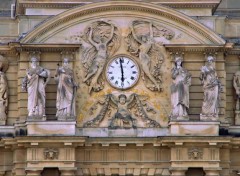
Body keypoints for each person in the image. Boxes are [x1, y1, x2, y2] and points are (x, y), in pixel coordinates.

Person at [83, 24, 114, 93]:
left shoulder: (105, 44)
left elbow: (110, 36)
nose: (102, 37)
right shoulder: (97, 45)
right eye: (101, 37)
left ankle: (91, 86)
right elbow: (90, 39)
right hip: (98, 59)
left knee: (98, 74)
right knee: (93, 71)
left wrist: (112, 28)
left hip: (103, 60)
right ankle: (86, 78)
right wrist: (91, 30)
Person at [131, 22, 160, 90]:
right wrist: (132, 29)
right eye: (142, 38)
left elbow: (151, 36)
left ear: (146, 38)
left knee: (147, 72)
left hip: (144, 58)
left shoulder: (148, 43)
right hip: (143, 57)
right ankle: (155, 83)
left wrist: (150, 26)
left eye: (144, 38)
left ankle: (156, 84)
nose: (142, 39)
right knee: (146, 72)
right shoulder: (143, 44)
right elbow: (135, 37)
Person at [170, 56, 191, 120]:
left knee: (183, 99)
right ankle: (177, 112)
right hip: (176, 86)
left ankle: (183, 112)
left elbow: (188, 77)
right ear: (176, 62)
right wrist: (177, 70)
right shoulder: (174, 69)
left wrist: (186, 81)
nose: (179, 62)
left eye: (180, 61)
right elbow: (173, 76)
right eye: (177, 61)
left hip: (183, 86)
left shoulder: (184, 70)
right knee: (177, 99)